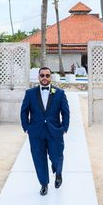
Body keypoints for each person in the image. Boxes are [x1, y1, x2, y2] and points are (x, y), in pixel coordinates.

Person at [20, 66, 70, 196]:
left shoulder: (59, 93)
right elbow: (24, 111)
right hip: (36, 133)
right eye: (42, 75)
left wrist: (64, 128)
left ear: (50, 77)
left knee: (57, 157)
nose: (44, 78)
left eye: (47, 75)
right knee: (39, 159)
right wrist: (26, 128)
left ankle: (58, 173)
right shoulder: (30, 93)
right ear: (38, 77)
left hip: (55, 132)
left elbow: (66, 112)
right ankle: (44, 184)